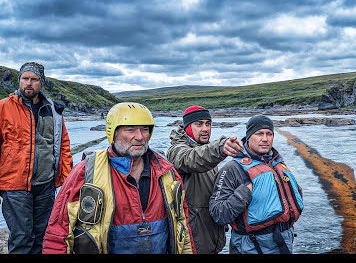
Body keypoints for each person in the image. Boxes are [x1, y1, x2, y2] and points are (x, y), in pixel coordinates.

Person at [42, 102, 195, 254]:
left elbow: (183, 228)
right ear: (112, 133)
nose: (140, 137)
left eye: (145, 129)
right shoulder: (85, 173)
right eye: (130, 130)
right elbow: (58, 234)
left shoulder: (168, 173)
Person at [0, 62, 73, 254]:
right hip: (14, 186)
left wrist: (65, 181)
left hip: (46, 186)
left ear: (42, 83)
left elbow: (63, 145)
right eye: (25, 79)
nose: (29, 84)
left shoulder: (53, 111)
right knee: (22, 238)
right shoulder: (3, 108)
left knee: (44, 236)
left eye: (34, 79)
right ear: (19, 81)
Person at [209, 114, 304, 254]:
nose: (265, 139)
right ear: (248, 136)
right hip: (251, 245)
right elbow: (218, 214)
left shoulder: (278, 163)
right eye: (259, 134)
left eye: (269, 134)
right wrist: (244, 193)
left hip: (284, 240)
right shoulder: (232, 169)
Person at [167, 105, 243, 254]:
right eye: (199, 124)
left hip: (211, 234)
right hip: (192, 239)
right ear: (188, 127)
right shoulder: (176, 151)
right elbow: (192, 159)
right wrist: (221, 147)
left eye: (208, 124)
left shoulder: (206, 150)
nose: (205, 129)